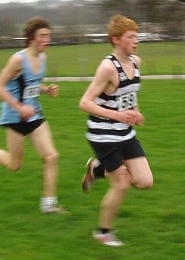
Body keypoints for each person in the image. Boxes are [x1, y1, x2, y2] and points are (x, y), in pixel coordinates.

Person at [0, 16, 65, 214]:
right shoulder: (18, 59)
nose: (47, 40)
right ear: (30, 38)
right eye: (42, 36)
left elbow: (31, 84)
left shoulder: (42, 58)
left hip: (34, 114)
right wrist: (19, 108)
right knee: (14, 164)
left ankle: (49, 204)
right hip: (14, 116)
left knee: (52, 157)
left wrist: (45, 90)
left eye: (48, 35)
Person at [79, 15, 153, 246]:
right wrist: (119, 115)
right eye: (131, 37)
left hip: (124, 132)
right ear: (116, 40)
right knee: (121, 183)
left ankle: (97, 169)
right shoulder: (107, 67)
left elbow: (129, 94)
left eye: (136, 36)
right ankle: (103, 232)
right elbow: (84, 103)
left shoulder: (136, 62)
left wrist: (135, 112)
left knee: (144, 181)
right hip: (102, 133)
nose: (136, 41)